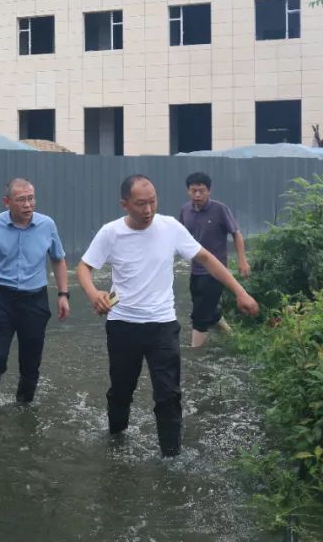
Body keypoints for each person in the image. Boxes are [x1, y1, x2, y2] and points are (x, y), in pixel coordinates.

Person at [76, 174, 258, 457]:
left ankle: (171, 457)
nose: (148, 209)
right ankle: (116, 443)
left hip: (163, 325)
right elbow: (84, 267)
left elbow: (206, 258)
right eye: (140, 204)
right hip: (122, 324)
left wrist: (240, 291)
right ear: (125, 204)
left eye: (152, 201)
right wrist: (93, 293)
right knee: (121, 390)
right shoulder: (111, 233)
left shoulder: (170, 227)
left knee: (168, 394)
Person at [0, 178, 69, 405]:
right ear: (7, 202)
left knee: (31, 363)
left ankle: (24, 407)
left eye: (31, 198)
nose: (28, 205)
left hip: (35, 300)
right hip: (2, 299)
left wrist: (63, 295)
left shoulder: (47, 225)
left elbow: (58, 259)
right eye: (21, 200)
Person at [178, 171, 251, 348]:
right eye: (194, 191)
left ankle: (195, 355)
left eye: (201, 191)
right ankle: (232, 336)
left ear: (209, 191)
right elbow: (179, 236)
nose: (197, 195)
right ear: (188, 191)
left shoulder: (220, 209)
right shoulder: (185, 211)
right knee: (204, 307)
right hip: (196, 269)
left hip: (216, 271)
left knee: (199, 317)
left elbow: (236, 234)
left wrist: (242, 260)